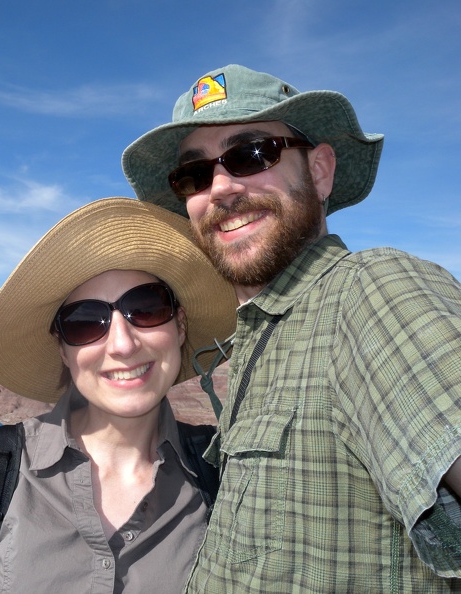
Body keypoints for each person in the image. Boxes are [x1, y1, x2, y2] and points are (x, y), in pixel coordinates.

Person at [122, 63, 461, 592]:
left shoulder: (371, 290)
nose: (222, 188)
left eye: (252, 153)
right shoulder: (264, 336)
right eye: (194, 175)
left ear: (320, 171)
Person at [0, 197, 237, 594]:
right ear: (63, 349)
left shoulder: (224, 470)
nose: (122, 344)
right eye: (86, 322)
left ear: (180, 326)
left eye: (146, 308)